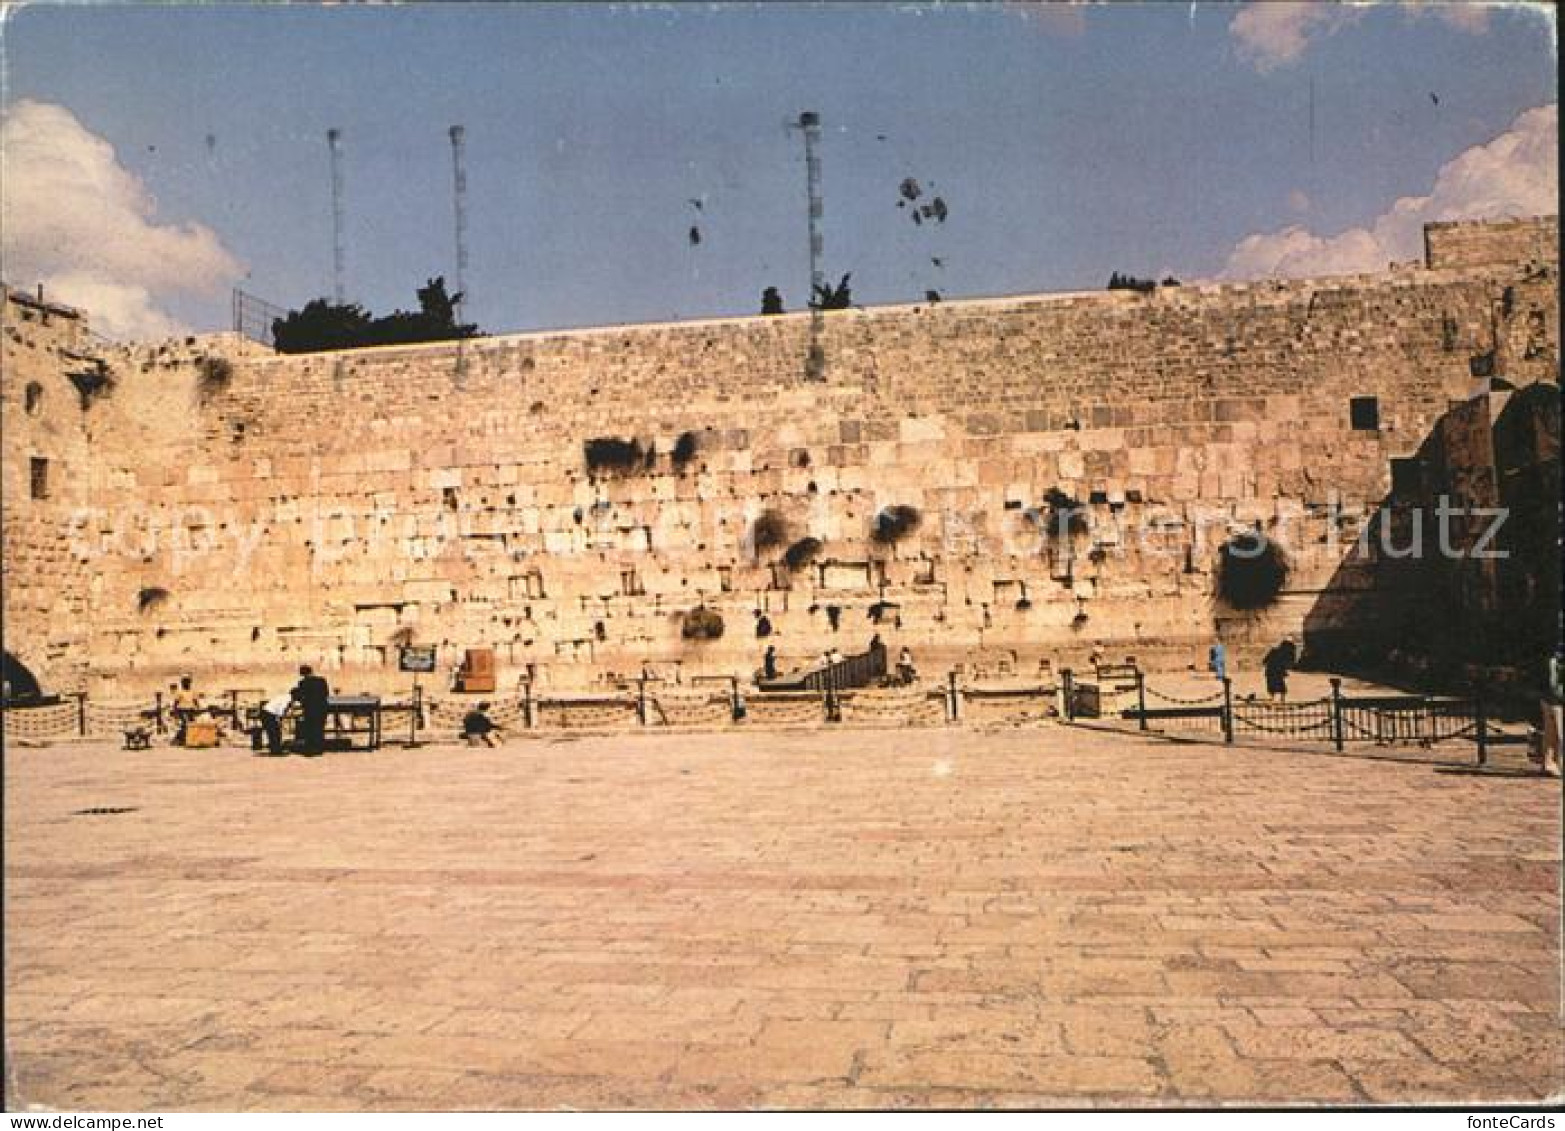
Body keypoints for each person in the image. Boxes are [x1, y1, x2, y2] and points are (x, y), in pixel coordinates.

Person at [291, 665, 331, 756]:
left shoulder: (302, 683)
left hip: (310, 708)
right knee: (320, 728)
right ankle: (319, 748)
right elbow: (326, 693)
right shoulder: (322, 680)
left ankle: (311, 748)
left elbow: (301, 696)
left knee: (310, 728)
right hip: (322, 707)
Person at [255, 690, 293, 756]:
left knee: (273, 732)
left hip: (267, 713)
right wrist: (280, 718)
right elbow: (282, 709)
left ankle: (275, 749)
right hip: (268, 714)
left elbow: (283, 709)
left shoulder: (285, 697)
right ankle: (276, 750)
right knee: (274, 732)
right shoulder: (287, 698)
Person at [171, 675, 202, 745]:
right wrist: (175, 713)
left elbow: (195, 701)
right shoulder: (180, 692)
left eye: (187, 682)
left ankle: (190, 739)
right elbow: (175, 703)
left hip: (191, 710)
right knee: (185, 725)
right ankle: (177, 739)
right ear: (182, 683)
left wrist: (198, 709)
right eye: (184, 682)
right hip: (182, 710)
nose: (186, 683)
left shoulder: (192, 692)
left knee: (192, 725)